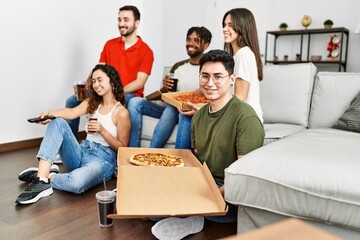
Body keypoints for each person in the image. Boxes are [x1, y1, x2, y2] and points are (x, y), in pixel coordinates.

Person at [151, 50, 265, 239]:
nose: (210, 83)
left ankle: (196, 217)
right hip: (205, 182)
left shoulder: (246, 118)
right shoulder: (200, 116)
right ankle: (191, 213)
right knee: (150, 206)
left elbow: (243, 177)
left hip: (229, 193)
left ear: (232, 79)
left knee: (163, 206)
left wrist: (206, 197)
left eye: (218, 77)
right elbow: (197, 160)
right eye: (205, 76)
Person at [15, 64, 131, 204]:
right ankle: (41, 181)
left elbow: (122, 148)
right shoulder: (92, 103)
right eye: (93, 81)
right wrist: (50, 113)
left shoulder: (121, 113)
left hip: (103, 159)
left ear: (112, 82)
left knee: (76, 183)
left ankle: (47, 175)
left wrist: (102, 130)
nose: (96, 84)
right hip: (81, 152)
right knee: (57, 122)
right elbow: (72, 112)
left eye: (100, 80)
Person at [175, 7, 263, 149]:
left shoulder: (244, 54)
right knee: (185, 113)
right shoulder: (235, 56)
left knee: (186, 117)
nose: (224, 29)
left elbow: (240, 98)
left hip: (242, 119)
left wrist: (203, 111)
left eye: (230, 25)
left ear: (243, 27)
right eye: (224, 24)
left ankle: (181, 162)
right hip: (232, 114)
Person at [66, 5, 154, 138]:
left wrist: (115, 90)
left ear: (136, 23)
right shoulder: (110, 44)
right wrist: (87, 85)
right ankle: (69, 143)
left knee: (129, 102)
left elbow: (140, 82)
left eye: (126, 20)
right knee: (72, 101)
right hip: (106, 89)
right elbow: (98, 69)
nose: (121, 24)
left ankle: (124, 149)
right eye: (119, 20)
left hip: (128, 94)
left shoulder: (146, 51)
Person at [127, 26, 212, 147]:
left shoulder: (208, 69)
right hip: (170, 108)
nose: (190, 43)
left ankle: (152, 151)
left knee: (173, 108)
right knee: (134, 102)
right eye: (188, 39)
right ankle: (133, 150)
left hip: (189, 111)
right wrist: (164, 88)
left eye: (196, 40)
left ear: (206, 45)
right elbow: (166, 96)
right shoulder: (178, 66)